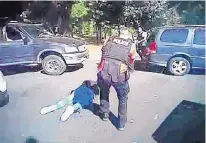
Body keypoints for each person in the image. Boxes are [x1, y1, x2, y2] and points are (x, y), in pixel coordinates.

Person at [97, 27, 136, 131]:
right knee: (123, 98)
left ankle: (104, 114)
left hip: (104, 72)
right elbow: (132, 58)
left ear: (119, 34)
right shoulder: (131, 44)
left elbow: (103, 53)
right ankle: (121, 124)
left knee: (104, 92)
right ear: (128, 35)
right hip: (119, 75)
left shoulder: (109, 39)